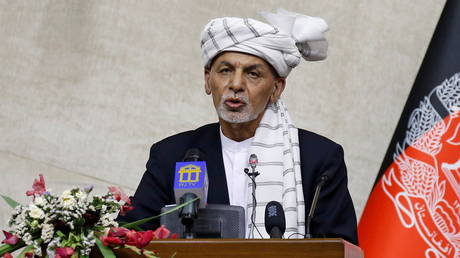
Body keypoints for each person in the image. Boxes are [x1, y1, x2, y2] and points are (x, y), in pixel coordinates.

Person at [118, 9, 358, 245]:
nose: (236, 84)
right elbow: (130, 237)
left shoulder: (318, 159)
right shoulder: (173, 155)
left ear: (276, 88)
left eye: (252, 74)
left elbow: (340, 247)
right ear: (207, 80)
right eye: (225, 71)